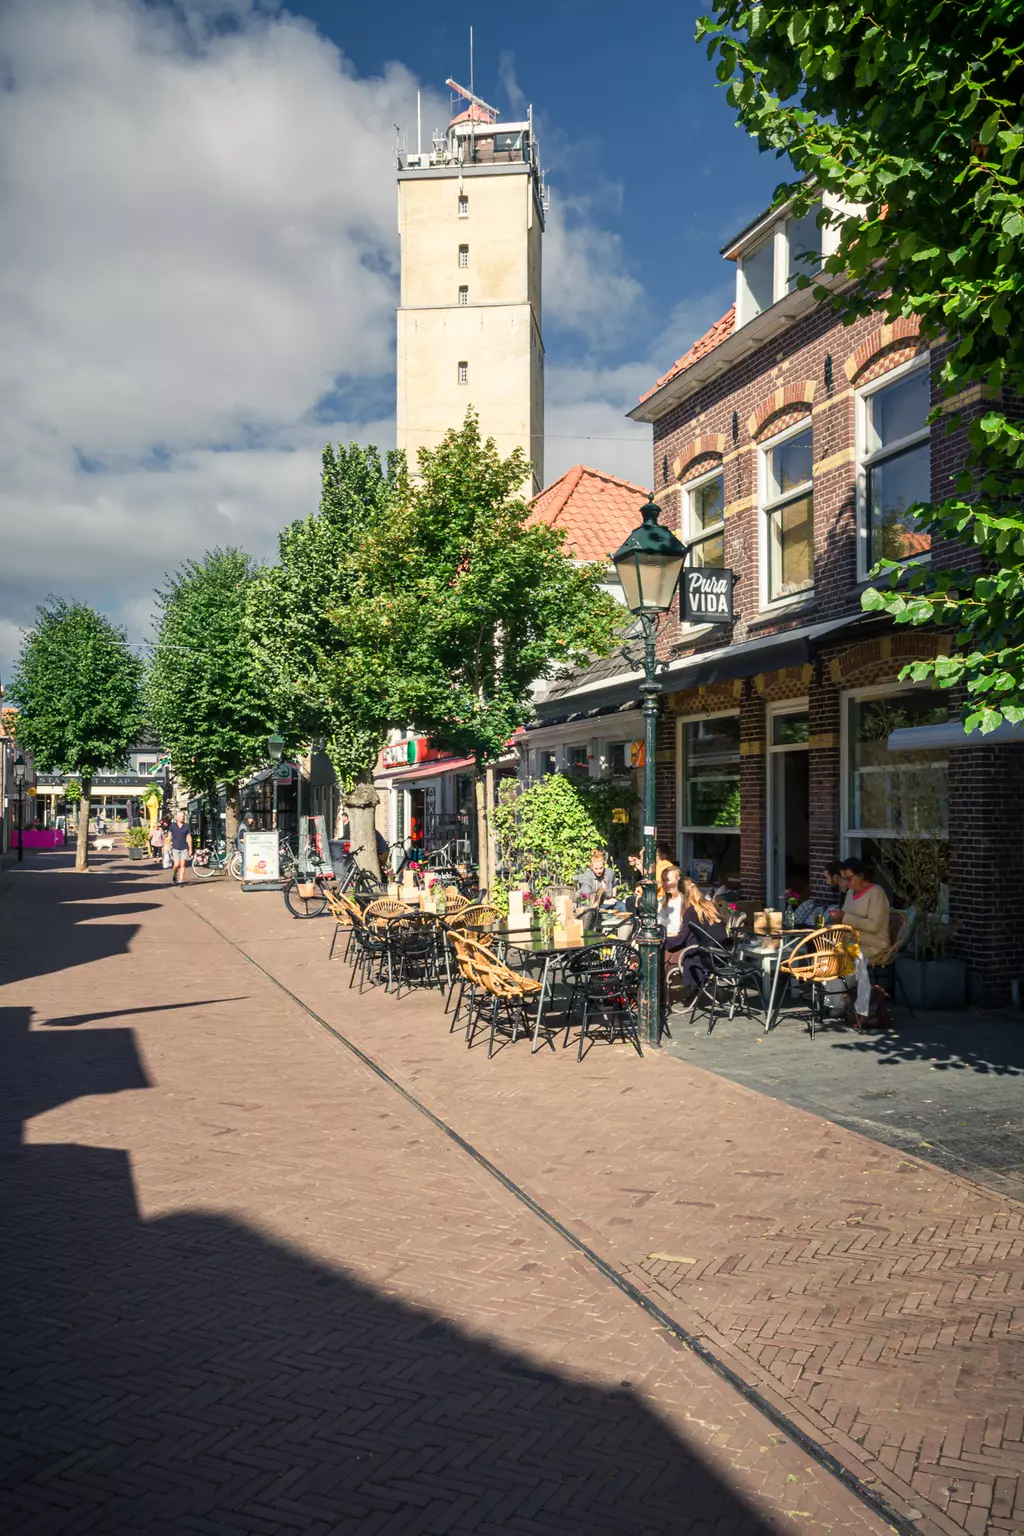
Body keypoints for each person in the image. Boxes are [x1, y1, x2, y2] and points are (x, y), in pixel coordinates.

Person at [660, 870, 728, 1005]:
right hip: (721, 954)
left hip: (703, 956)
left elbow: (681, 939)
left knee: (661, 957)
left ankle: (661, 998)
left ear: (682, 894)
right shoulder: (710, 905)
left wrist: (663, 941)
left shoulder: (691, 911)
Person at [830, 856, 891, 962]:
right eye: (844, 879)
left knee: (838, 955)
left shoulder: (876, 892)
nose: (847, 883)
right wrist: (837, 919)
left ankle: (846, 978)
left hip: (874, 944)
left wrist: (844, 917)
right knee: (824, 948)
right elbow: (845, 919)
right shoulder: (850, 893)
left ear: (861, 875)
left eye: (849, 879)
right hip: (852, 940)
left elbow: (873, 926)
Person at [168, 809, 193, 886]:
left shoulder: (187, 826)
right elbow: (169, 837)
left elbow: (189, 837)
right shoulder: (172, 826)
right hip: (175, 847)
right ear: (177, 818)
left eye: (183, 816)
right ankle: (175, 875)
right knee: (176, 864)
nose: (183, 818)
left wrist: (190, 848)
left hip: (184, 847)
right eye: (181, 816)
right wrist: (168, 846)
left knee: (182, 864)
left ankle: (181, 880)